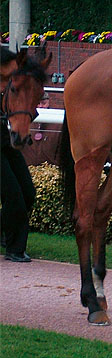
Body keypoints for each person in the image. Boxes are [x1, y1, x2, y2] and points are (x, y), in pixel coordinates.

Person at [1, 48, 35, 262]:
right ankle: (14, 247)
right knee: (14, 199)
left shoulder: (14, 87)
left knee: (28, 193)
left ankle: (14, 245)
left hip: (7, 142)